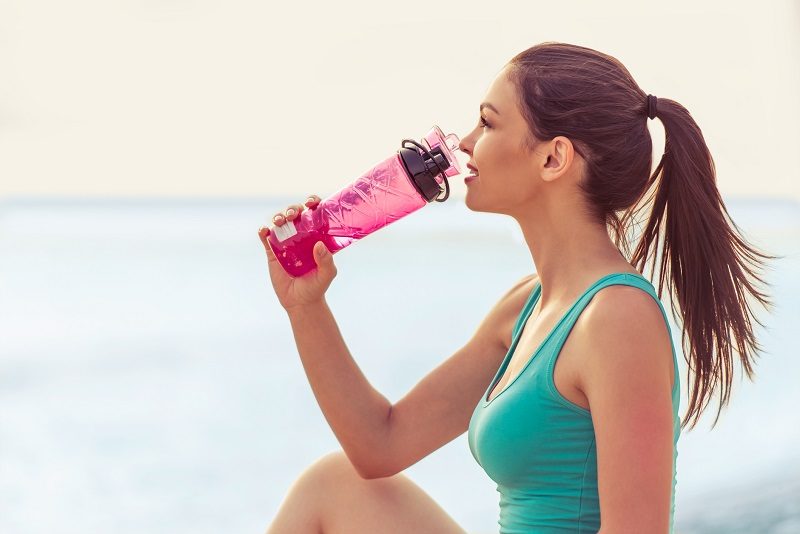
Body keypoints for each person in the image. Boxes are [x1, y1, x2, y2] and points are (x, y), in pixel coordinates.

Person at [257, 41, 777, 534]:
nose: (462, 144)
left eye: (487, 122)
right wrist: (307, 306)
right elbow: (379, 444)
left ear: (553, 158)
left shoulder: (617, 318)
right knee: (334, 485)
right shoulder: (525, 308)